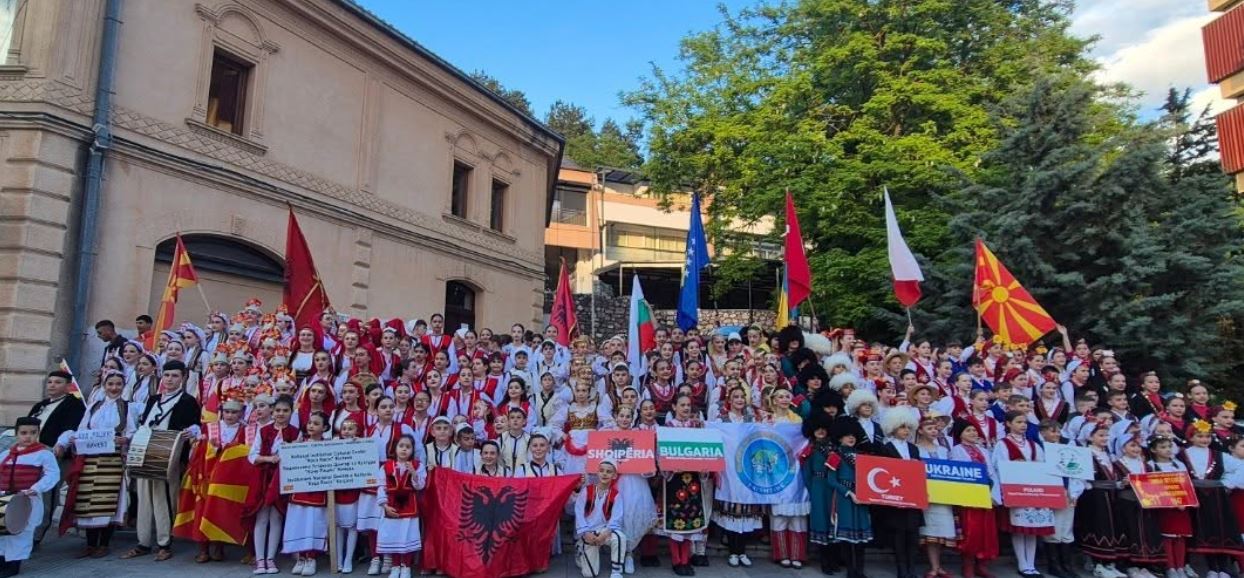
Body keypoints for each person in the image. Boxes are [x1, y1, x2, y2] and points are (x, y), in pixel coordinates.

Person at [123, 360, 201, 562]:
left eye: (175, 376)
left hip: (168, 456)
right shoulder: (153, 399)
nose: (170, 380)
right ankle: (143, 542)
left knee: (163, 498)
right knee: (143, 498)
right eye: (167, 375)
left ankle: (165, 543)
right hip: (145, 451)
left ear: (183, 378)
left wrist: (189, 435)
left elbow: (193, 428)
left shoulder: (187, 401)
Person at [55, 369, 135, 557]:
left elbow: (133, 430)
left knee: (107, 501)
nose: (114, 388)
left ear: (123, 387)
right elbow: (82, 429)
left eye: (118, 384)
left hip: (112, 461)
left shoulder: (128, 407)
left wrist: (126, 440)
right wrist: (72, 440)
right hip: (90, 460)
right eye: (110, 384)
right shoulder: (93, 406)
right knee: (87, 501)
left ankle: (104, 544)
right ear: (104, 386)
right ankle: (90, 544)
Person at [994, 410, 1054, 578]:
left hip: (1035, 490)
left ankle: (1032, 564)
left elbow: (1043, 464)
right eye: (1019, 422)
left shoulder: (1033, 444)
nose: (1023, 425)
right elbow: (999, 465)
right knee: (1019, 528)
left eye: (1025, 423)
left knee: (1033, 528)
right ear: (1008, 424)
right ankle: (1023, 563)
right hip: (1016, 489)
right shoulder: (1003, 444)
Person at [26, 369, 84, 542]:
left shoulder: (74, 405)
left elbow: (71, 429)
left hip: (54, 455)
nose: (52, 385)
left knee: (46, 494)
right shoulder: (40, 405)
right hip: (31, 455)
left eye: (57, 382)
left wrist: (59, 444)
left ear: (68, 386)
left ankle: (37, 533)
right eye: (50, 382)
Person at [1181, 420, 1244, 577]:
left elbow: (1241, 467)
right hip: (1195, 498)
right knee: (1200, 532)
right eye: (1200, 436)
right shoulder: (1182, 455)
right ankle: (1210, 569)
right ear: (1191, 437)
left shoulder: (1218, 455)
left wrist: (1227, 483)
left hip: (1216, 499)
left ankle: (1222, 569)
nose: (1204, 439)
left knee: (1219, 531)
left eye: (1207, 436)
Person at [0, 417, 60, 577]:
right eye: (24, 433)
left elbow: (53, 474)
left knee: (21, 531)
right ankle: (2, 560)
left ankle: (13, 564)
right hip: (5, 499)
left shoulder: (44, 454)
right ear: (16, 434)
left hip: (27, 499)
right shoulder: (7, 454)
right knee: (3, 530)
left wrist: (36, 488)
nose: (28, 437)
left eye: (33, 433)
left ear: (38, 434)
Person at [249, 394, 299, 574]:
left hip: (282, 479)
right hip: (264, 477)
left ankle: (271, 558)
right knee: (261, 517)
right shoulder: (263, 431)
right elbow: (252, 456)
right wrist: (270, 459)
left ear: (291, 412)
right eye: (278, 410)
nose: (281, 414)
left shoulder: (295, 432)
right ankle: (260, 559)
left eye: (285, 411)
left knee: (276, 517)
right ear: (272, 411)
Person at [949, 420, 999, 578]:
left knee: (986, 531)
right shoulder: (957, 450)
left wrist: (994, 494)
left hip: (986, 494)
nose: (973, 433)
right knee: (971, 532)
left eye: (975, 430)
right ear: (960, 434)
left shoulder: (983, 450)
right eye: (969, 430)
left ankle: (981, 564)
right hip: (969, 496)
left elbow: (991, 472)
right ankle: (968, 564)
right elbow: (959, 473)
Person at [283, 411, 331, 576]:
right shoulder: (298, 443)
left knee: (314, 524)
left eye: (316, 424)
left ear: (324, 427)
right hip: (299, 492)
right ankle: (301, 557)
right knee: (299, 524)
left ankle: (312, 557)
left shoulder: (329, 445)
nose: (311, 426)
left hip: (318, 492)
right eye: (310, 423)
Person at [877, 410, 923, 578]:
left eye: (908, 428)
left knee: (913, 535)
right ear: (893, 428)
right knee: (898, 535)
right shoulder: (886, 447)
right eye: (902, 427)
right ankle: (901, 569)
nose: (906, 431)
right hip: (895, 497)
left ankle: (912, 568)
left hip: (912, 497)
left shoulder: (913, 448)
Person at [376, 434, 426, 578]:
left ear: (412, 450)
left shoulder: (417, 466)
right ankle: (395, 566)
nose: (404, 449)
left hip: (410, 505)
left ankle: (406, 566)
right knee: (393, 536)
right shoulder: (386, 466)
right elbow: (381, 486)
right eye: (401, 446)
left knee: (407, 536)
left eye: (408, 447)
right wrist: (385, 506)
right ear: (395, 448)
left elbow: (420, 486)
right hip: (391, 505)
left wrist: (414, 474)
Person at [575, 460, 626, 578]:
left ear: (614, 475)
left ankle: (616, 570)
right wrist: (586, 532)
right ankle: (580, 547)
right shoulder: (587, 490)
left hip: (605, 531)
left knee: (619, 537)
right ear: (597, 473)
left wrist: (606, 533)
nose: (604, 474)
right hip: (588, 531)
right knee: (589, 574)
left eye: (609, 472)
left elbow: (616, 518)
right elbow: (579, 512)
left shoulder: (616, 495)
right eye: (602, 471)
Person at [334, 418, 363, 574]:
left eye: (351, 428)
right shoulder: (333, 444)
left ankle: (348, 559)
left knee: (352, 526)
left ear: (357, 432)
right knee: (338, 526)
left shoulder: (361, 445)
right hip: (338, 490)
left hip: (353, 491)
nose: (346, 431)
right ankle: (338, 559)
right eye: (344, 428)